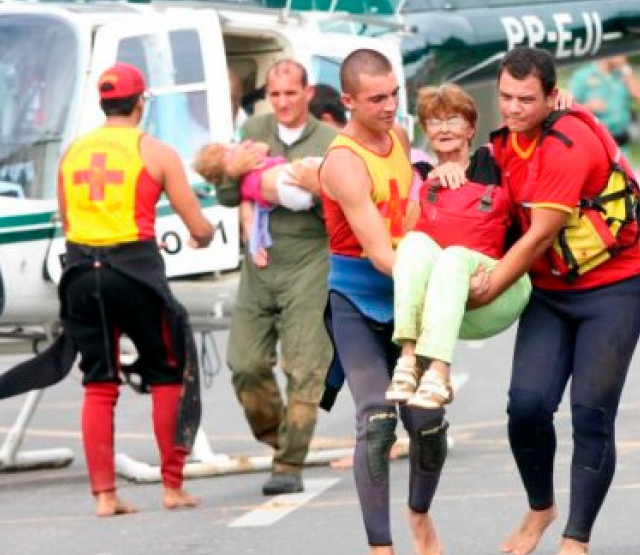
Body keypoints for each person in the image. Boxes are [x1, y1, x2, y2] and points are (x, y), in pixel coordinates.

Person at [463, 47, 640, 555]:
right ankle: (540, 507)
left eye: (526, 99)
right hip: (550, 293)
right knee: (525, 407)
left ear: (551, 97)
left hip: (611, 289)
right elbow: (474, 216)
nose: (513, 108)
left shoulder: (568, 141)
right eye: (505, 96)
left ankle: (576, 538)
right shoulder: (502, 147)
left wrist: (486, 292)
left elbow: (539, 236)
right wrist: (444, 177)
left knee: (590, 413)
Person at [58, 62, 215, 516]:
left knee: (98, 382)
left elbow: (68, 221)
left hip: (81, 273)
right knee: (167, 371)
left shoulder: (73, 152)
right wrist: (201, 236)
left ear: (102, 103)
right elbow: (197, 223)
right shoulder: (156, 151)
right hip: (134, 270)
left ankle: (105, 496)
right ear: (140, 102)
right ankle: (172, 486)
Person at [320, 48, 445, 555]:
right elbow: (380, 255)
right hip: (359, 299)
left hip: (407, 298)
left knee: (429, 423)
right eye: (376, 98)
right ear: (348, 100)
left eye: (394, 93)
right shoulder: (343, 163)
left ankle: (418, 515)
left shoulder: (397, 135)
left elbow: (415, 212)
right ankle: (381, 549)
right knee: (376, 420)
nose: (390, 105)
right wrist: (445, 287)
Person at [215, 59, 338, 496]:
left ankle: (288, 464)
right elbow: (228, 195)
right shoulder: (254, 131)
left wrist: (312, 189)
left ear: (307, 93)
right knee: (244, 364)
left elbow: (343, 207)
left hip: (309, 258)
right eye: (276, 94)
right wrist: (231, 175)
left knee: (304, 367)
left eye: (291, 93)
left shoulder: (331, 140)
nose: (283, 102)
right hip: (260, 261)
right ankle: (279, 437)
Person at [384, 84, 532, 410]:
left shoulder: (492, 161)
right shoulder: (420, 174)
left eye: (453, 119)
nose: (445, 128)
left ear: (470, 128)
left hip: (494, 282)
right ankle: (408, 360)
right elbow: (405, 241)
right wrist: (432, 185)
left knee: (453, 257)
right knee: (415, 243)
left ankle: (439, 371)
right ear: (425, 130)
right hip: (444, 295)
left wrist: (559, 98)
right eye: (435, 122)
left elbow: (532, 132)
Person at [194, 141, 318, 268]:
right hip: (285, 177)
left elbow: (249, 221)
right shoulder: (242, 154)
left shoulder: (243, 190)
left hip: (294, 199)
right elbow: (264, 147)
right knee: (315, 167)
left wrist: (255, 248)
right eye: (226, 152)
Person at [568, 55, 640, 153]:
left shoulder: (623, 75)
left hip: (620, 144)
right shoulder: (582, 76)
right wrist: (588, 106)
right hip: (596, 145)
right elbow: (569, 109)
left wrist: (626, 68)